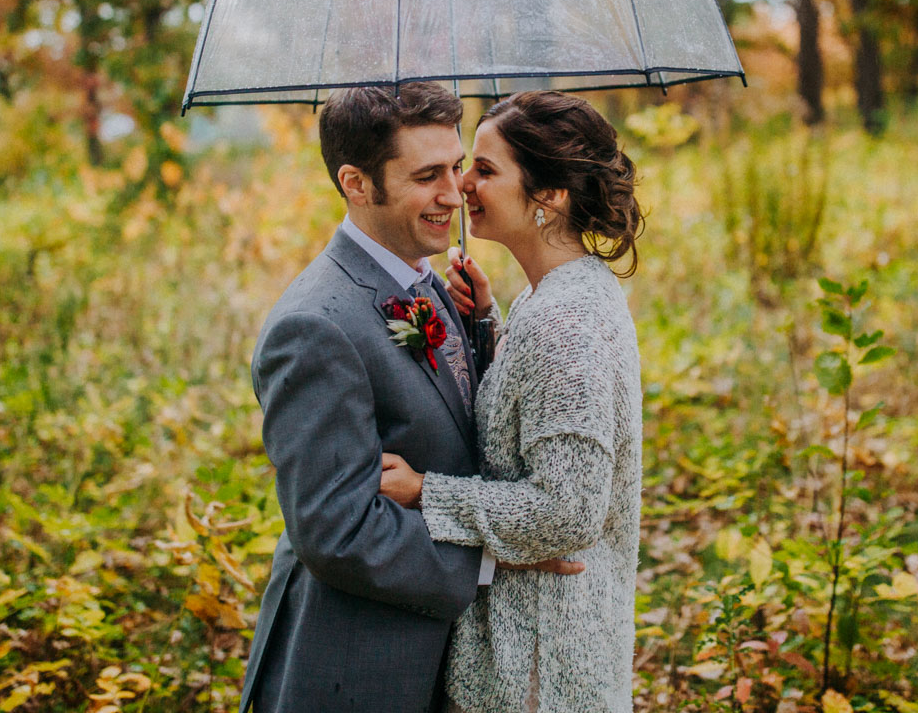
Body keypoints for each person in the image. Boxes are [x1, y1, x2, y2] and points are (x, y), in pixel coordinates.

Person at [239, 83, 577, 713]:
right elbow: (337, 531)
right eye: (427, 176)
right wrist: (496, 559)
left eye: (456, 166)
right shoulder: (314, 326)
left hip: (438, 661)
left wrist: (479, 328)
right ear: (357, 184)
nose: (455, 193)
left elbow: (443, 412)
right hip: (355, 669)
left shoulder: (422, 276)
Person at [379, 90, 644, 713]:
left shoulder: (564, 322)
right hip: (538, 641)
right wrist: (491, 323)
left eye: (486, 170)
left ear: (549, 196)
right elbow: (538, 407)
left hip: (539, 664)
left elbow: (568, 510)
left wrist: (426, 492)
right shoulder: (552, 298)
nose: (462, 184)